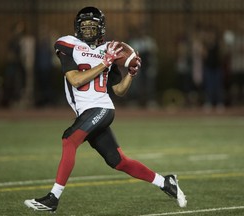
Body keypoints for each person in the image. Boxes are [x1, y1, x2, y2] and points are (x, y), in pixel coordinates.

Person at [24, 6, 187, 213]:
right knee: (118, 161)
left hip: (101, 108)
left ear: (101, 28)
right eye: (85, 26)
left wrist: (130, 74)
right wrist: (105, 63)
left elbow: (119, 90)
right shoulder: (69, 44)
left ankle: (53, 198)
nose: (88, 30)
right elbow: (75, 79)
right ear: (77, 27)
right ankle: (165, 182)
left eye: (93, 27)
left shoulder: (109, 49)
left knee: (69, 139)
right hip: (87, 113)